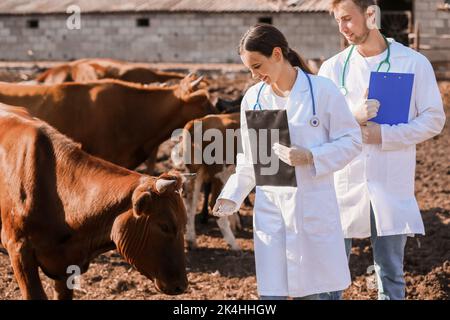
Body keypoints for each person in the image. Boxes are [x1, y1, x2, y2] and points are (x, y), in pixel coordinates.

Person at [212, 23, 362, 300]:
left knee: (312, 294)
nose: (255, 76)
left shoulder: (322, 91)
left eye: (257, 66)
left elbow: (353, 141)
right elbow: (250, 158)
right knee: (272, 296)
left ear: (278, 54)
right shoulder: (253, 99)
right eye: (250, 70)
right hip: (271, 213)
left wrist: (311, 156)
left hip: (311, 210)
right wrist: (231, 196)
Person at [318, 0, 446, 300]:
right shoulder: (332, 68)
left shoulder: (412, 63)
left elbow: (433, 119)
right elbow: (318, 125)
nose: (343, 28)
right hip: (342, 185)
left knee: (390, 271)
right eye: (338, 21)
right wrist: (352, 115)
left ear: (371, 14)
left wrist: (382, 134)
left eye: (348, 19)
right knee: (329, 273)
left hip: (390, 184)